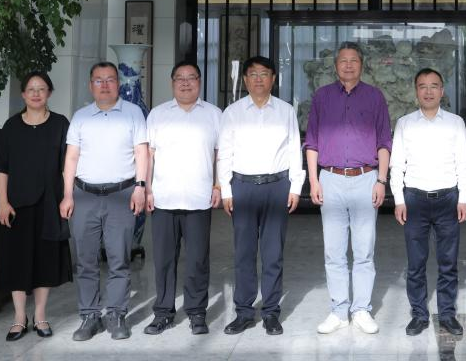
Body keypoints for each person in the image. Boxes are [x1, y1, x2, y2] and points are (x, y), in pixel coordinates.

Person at [305, 42, 393, 335]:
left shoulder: (375, 96)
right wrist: (314, 180)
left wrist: (381, 180)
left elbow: (384, 141)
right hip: (330, 179)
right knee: (334, 251)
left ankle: (361, 310)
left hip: (366, 179)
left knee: (364, 250)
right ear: (335, 66)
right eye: (343, 60)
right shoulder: (322, 96)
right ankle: (339, 311)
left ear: (361, 65)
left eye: (353, 60)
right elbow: (312, 142)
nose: (348, 65)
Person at [61, 62, 149, 342]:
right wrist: (67, 194)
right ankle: (89, 316)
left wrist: (141, 188)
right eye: (98, 80)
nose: (105, 85)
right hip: (84, 195)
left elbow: (142, 153)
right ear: (91, 86)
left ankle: (116, 314)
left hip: (121, 194)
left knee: (118, 259)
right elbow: (71, 158)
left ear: (118, 84)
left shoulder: (133, 113)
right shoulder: (81, 117)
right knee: (85, 261)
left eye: (110, 79)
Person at [218, 55, 305, 336]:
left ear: (273, 79)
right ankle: (244, 312)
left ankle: (270, 312)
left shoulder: (285, 111)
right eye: (253, 74)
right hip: (242, 187)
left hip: (276, 186)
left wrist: (295, 187)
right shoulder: (232, 112)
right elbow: (225, 153)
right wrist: (226, 190)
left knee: (273, 254)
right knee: (244, 253)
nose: (258, 79)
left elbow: (294, 150)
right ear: (245, 79)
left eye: (264, 74)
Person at [0, 71, 72, 342]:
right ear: (23, 94)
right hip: (16, 206)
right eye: (31, 89)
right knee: (17, 260)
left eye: (41, 88)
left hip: (49, 203)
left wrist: (67, 197)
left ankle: (39, 315)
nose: (36, 93)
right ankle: (18, 317)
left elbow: (67, 166)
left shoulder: (60, 124)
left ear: (49, 93)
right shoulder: (11, 126)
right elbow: (2, 168)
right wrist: (2, 202)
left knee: (44, 260)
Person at [390, 68, 466, 337]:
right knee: (416, 263)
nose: (428, 91)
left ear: (442, 91)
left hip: (448, 198)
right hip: (415, 199)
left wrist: (463, 199)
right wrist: (399, 200)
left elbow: (463, 163)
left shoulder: (455, 123)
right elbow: (397, 164)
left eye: (433, 86)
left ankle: (447, 314)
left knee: (448, 262)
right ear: (416, 91)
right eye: (422, 86)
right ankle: (419, 315)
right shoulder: (405, 123)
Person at [143, 61, 221, 336]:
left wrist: (218, 185)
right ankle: (163, 313)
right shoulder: (157, 114)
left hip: (199, 199)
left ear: (199, 81)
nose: (185, 83)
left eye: (191, 78)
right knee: (164, 260)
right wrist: (147, 189)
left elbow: (220, 154)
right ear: (172, 82)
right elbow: (149, 156)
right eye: (180, 78)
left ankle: (197, 313)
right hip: (164, 198)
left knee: (198, 260)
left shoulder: (214, 114)